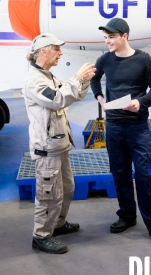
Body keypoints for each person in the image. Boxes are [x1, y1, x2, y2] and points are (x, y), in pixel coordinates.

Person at [89, 18, 151, 248]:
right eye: (105, 38)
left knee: (145, 175)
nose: (107, 42)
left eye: (111, 37)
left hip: (137, 128)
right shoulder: (104, 59)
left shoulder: (143, 60)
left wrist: (140, 102)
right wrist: (100, 98)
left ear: (124, 36)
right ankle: (127, 216)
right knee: (120, 173)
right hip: (114, 126)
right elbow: (95, 79)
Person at [23, 33, 96, 254]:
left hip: (59, 145)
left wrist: (84, 80)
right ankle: (41, 236)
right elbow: (58, 99)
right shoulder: (34, 81)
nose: (60, 53)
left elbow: (72, 93)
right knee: (49, 194)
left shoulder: (49, 77)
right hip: (46, 150)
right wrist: (77, 77)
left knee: (66, 188)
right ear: (43, 51)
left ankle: (58, 224)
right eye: (56, 49)